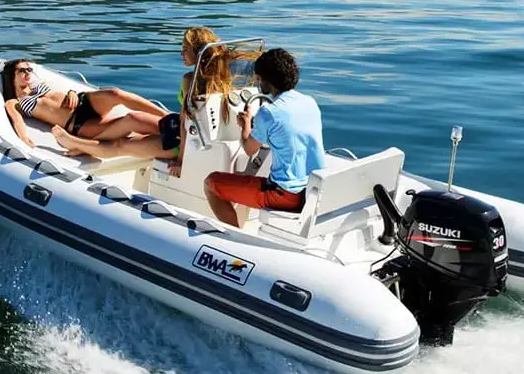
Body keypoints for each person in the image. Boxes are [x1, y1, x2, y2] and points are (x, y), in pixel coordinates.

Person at [51, 27, 232, 166]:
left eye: (186, 49)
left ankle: (77, 144)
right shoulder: (223, 80)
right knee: (132, 118)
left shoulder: (189, 81)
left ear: (198, 53)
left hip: (184, 143)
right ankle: (88, 143)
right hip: (185, 131)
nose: (181, 54)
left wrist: (181, 159)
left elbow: (187, 125)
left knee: (121, 145)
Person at [203, 48, 325, 228]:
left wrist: (245, 126)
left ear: (268, 80)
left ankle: (235, 238)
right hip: (313, 189)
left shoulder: (268, 112)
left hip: (285, 195)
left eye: (258, 79)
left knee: (211, 183)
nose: (258, 83)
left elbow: (249, 149)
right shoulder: (310, 102)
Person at [2, 59, 167, 148]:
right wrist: (23, 139)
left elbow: (57, 94)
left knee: (115, 93)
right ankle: (171, 135)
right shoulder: (14, 102)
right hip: (77, 123)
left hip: (84, 101)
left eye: (29, 69)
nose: (27, 73)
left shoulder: (37, 85)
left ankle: (167, 116)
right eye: (22, 70)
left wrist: (72, 93)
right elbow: (17, 120)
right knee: (131, 120)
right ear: (12, 76)